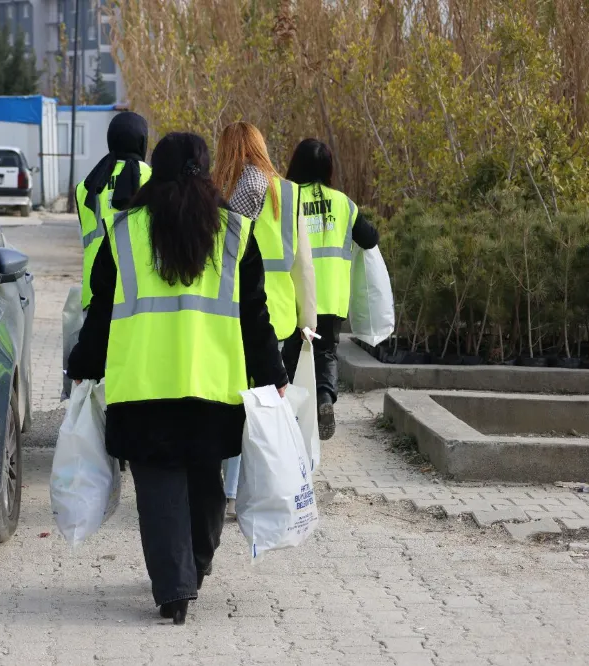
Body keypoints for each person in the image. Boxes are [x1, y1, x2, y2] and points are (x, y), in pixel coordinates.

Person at [66, 132, 288, 625]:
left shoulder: (123, 232)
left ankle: (174, 588)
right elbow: (255, 311)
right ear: (207, 172)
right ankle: (195, 567)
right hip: (212, 385)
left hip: (142, 386)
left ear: (155, 170)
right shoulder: (234, 230)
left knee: (159, 487)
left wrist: (83, 364)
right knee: (206, 484)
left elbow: (101, 307)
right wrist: (273, 372)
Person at [212, 121, 316, 518]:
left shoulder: (218, 193)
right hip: (279, 315)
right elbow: (303, 265)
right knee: (265, 401)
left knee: (235, 396)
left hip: (228, 310)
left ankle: (227, 484)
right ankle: (253, 486)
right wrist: (310, 319)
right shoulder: (289, 193)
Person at [283, 138, 379, 440]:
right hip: (331, 297)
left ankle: (287, 410)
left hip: (295, 294)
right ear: (327, 168)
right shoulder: (343, 203)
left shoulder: (288, 198)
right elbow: (370, 238)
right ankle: (324, 398)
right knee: (325, 352)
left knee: (293, 349)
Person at [75, 111, 152, 310]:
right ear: (142, 141)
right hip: (138, 292)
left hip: (93, 293)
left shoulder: (86, 186)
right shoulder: (154, 179)